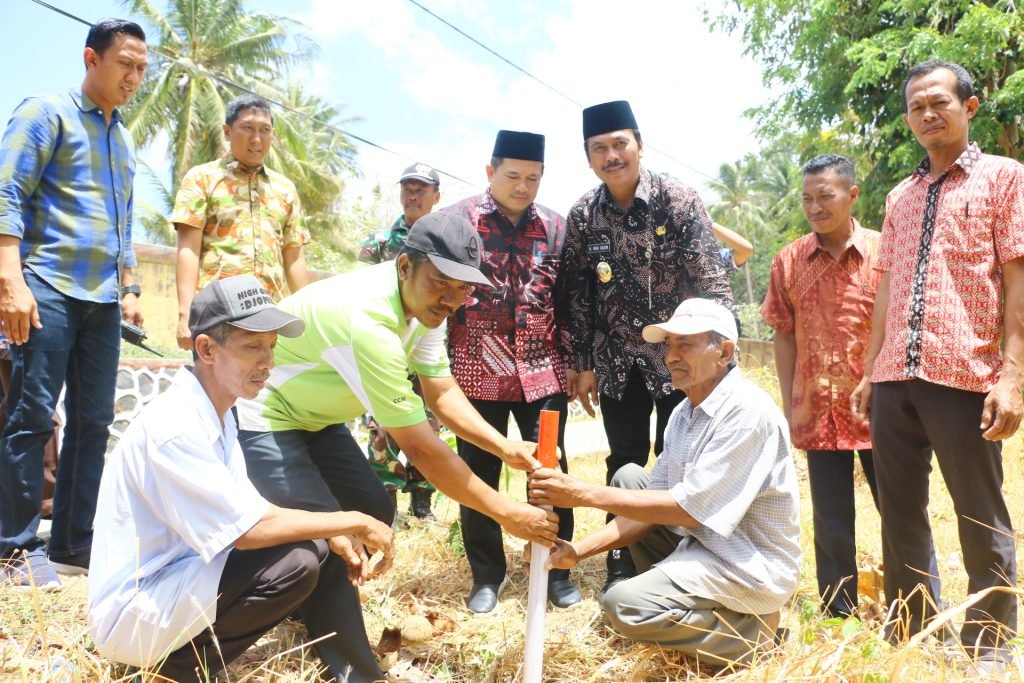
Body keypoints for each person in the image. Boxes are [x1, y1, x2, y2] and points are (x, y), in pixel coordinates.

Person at [236, 212, 559, 682]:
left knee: (370, 508)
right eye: (441, 284)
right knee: (337, 539)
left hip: (316, 419)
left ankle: (304, 607)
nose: (451, 299)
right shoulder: (370, 320)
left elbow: (442, 393)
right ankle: (354, 669)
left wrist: (503, 446)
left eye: (462, 288)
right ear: (404, 267)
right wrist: (507, 513)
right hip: (265, 414)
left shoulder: (426, 310)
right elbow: (423, 450)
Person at [87, 275, 395, 682]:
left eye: (271, 346)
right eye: (252, 347)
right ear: (206, 349)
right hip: (136, 613)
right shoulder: (177, 426)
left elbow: (252, 508)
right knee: (296, 563)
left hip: (177, 582)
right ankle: (173, 672)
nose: (268, 362)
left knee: (314, 548)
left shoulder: (218, 412)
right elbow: (250, 530)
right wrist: (354, 521)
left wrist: (334, 530)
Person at [851, 60, 1022, 670]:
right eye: (917, 106)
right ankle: (917, 633)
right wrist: (871, 370)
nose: (928, 113)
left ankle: (992, 644)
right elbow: (887, 291)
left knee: (980, 514)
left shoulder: (1004, 179)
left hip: (966, 374)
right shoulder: (900, 196)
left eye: (939, 102)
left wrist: (1012, 375)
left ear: (968, 108)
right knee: (899, 513)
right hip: (897, 375)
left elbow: (1016, 279)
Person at [529, 298, 800, 666]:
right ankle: (704, 608)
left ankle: (754, 637)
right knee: (630, 478)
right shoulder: (685, 413)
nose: (671, 356)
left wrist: (582, 493)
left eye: (685, 345)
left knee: (625, 606)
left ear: (724, 352)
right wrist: (578, 551)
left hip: (747, 565)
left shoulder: (747, 412)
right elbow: (653, 507)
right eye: (669, 345)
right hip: (702, 546)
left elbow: (691, 510)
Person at [562, 99, 734, 593]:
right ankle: (623, 555)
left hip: (680, 359)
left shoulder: (677, 200)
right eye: (600, 148)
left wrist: (721, 354)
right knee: (623, 459)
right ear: (588, 155)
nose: (612, 155)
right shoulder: (583, 215)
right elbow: (579, 294)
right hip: (617, 363)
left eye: (620, 144)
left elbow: (710, 278)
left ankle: (683, 554)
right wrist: (583, 363)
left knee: (679, 460)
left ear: (640, 144)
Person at [0, 18, 148, 588]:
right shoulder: (46, 112)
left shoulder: (123, 135)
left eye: (141, 68)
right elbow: (6, 193)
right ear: (92, 59)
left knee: (95, 420)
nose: (134, 77)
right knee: (31, 416)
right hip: (48, 288)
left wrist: (130, 286)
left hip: (103, 300)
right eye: (124, 64)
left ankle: (72, 545)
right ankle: (14, 552)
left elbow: (124, 219)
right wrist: (11, 281)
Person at [442, 130, 580, 612]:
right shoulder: (458, 222)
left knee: (550, 470)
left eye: (533, 179)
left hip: (541, 372)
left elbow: (570, 303)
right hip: (475, 371)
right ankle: (486, 575)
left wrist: (577, 365)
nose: (523, 187)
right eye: (514, 176)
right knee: (478, 474)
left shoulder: (559, 229)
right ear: (490, 172)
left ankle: (555, 567)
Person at [761, 153, 884, 617]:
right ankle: (839, 610)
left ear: (852, 196)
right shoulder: (789, 260)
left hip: (881, 406)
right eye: (807, 198)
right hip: (819, 412)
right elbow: (783, 334)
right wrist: (792, 401)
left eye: (825, 196)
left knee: (900, 510)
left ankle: (917, 603)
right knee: (831, 520)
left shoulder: (885, 251)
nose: (815, 207)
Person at [171, 93, 311, 351]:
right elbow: (188, 249)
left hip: (272, 316)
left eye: (265, 130)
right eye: (247, 128)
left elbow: (294, 258)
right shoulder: (203, 178)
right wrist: (184, 314)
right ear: (227, 131)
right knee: (217, 389)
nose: (256, 139)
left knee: (267, 389)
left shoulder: (285, 189)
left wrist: (309, 314)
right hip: (218, 315)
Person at [357, 162, 443, 521]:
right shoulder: (378, 242)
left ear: (436, 196)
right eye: (407, 187)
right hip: (382, 352)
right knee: (382, 431)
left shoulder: (445, 243)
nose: (412, 194)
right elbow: (358, 296)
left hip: (425, 351)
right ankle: (386, 510)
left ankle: (422, 508)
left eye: (421, 188)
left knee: (429, 428)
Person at [357, 162, 441, 264]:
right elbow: (360, 278)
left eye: (421, 191)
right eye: (406, 190)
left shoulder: (444, 242)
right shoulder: (380, 240)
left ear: (436, 197)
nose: (412, 197)